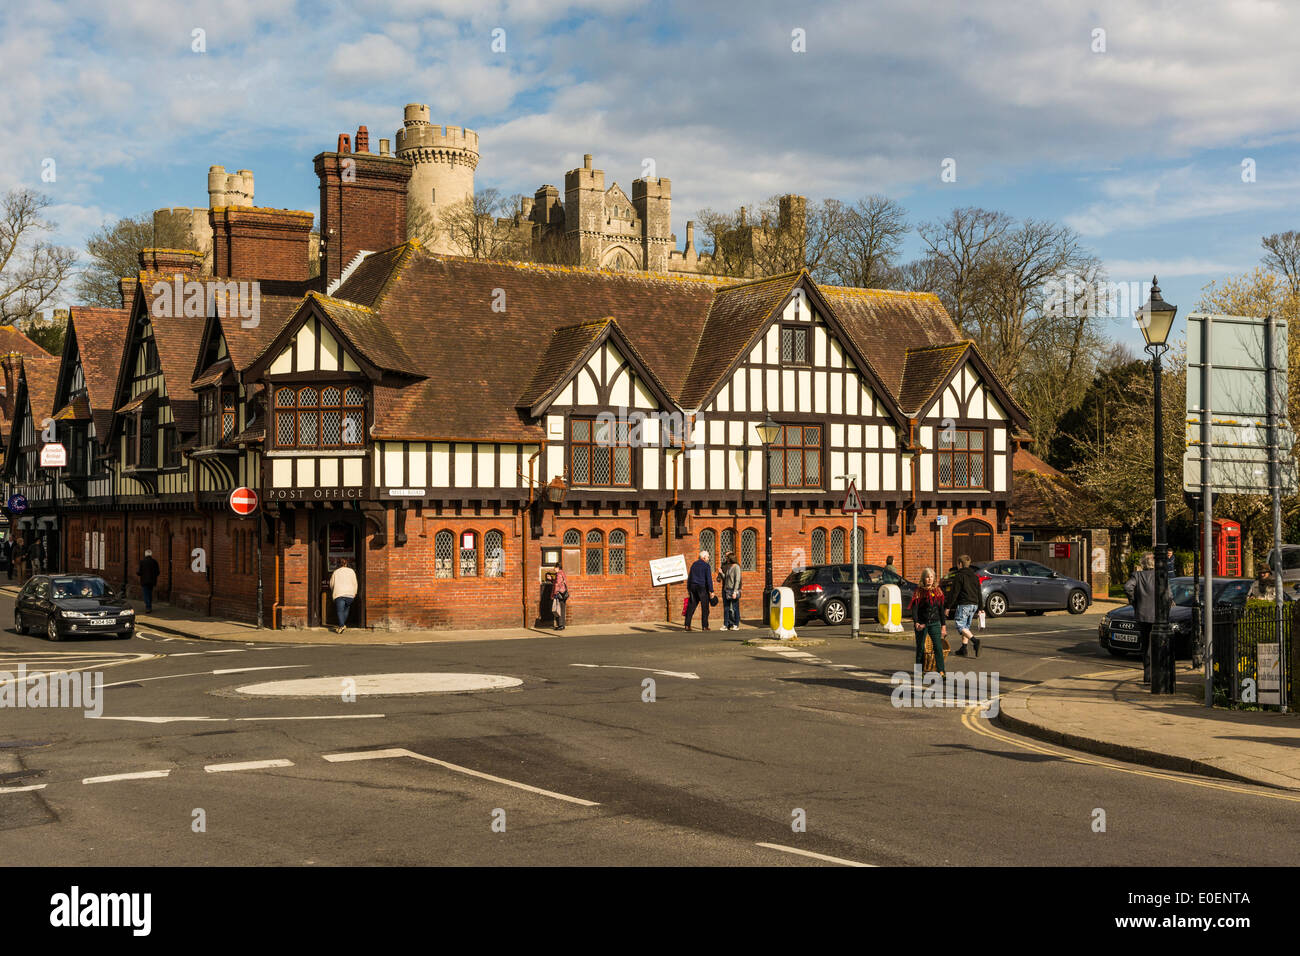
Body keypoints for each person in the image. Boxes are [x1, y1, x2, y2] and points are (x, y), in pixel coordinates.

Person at [1125, 551, 1172, 684]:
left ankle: (1147, 677)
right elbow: (1169, 595)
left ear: (1143, 563)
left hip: (1143, 616)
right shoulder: (1160, 576)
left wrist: (1134, 601)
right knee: (1160, 646)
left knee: (1146, 647)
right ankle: (1159, 677)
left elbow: (1128, 587)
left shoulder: (1137, 575)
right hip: (1159, 617)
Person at [908, 567, 947, 676]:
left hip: (935, 622)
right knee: (920, 647)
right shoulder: (918, 592)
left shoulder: (938, 591)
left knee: (938, 647)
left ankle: (941, 671)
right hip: (921, 623)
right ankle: (918, 672)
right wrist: (916, 622)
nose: (929, 579)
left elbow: (941, 610)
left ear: (934, 579)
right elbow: (914, 609)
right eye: (927, 577)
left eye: (931, 577)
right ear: (923, 579)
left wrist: (943, 626)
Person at [946, 553, 982, 657]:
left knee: (960, 625)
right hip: (974, 605)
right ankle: (964, 649)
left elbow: (954, 592)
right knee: (966, 627)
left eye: (957, 564)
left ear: (960, 564)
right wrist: (980, 607)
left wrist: (948, 606)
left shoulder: (959, 575)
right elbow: (978, 592)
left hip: (964, 604)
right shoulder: (975, 576)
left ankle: (975, 641)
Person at [685, 550, 714, 631]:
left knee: (691, 606)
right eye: (708, 557)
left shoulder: (694, 564)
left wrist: (688, 589)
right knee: (705, 608)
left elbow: (690, 577)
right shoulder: (706, 566)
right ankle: (704, 626)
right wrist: (711, 590)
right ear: (704, 557)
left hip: (693, 587)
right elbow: (709, 579)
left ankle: (687, 625)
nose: (708, 558)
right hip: (702, 588)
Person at [328, 557, 358, 633]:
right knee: (346, 608)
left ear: (338, 564)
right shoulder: (351, 571)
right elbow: (355, 583)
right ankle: (342, 625)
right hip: (350, 594)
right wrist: (355, 592)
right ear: (346, 563)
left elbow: (331, 584)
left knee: (340, 611)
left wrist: (333, 590)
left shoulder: (336, 572)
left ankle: (341, 625)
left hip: (339, 593)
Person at [721, 550, 742, 631]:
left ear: (731, 559)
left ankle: (736, 624)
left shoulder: (736, 567)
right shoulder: (729, 567)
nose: (726, 559)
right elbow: (726, 577)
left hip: (733, 590)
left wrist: (735, 591)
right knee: (726, 608)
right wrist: (721, 573)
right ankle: (725, 625)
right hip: (727, 589)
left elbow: (737, 580)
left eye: (728, 558)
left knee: (735, 608)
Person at [550, 566, 569, 630]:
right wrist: (552, 579)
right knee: (562, 609)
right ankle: (562, 625)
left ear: (558, 567)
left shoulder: (558, 574)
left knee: (559, 609)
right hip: (563, 593)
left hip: (559, 593)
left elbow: (557, 584)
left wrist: (555, 593)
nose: (554, 569)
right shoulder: (563, 573)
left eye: (555, 568)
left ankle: (560, 625)